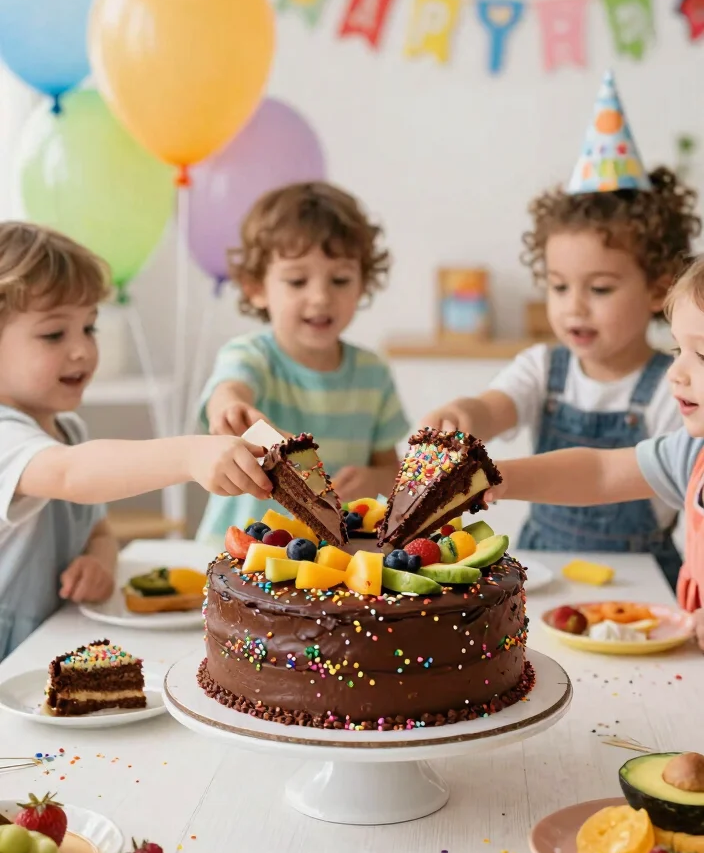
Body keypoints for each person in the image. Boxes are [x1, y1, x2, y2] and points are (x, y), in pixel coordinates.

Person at [423, 72, 701, 588]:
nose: (574, 308)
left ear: (658, 287)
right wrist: (468, 415)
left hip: (639, 584)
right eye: (557, 287)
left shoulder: (678, 389)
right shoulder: (541, 367)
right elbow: (497, 408)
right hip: (543, 577)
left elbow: (612, 474)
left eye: (599, 289)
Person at [0, 221, 272, 660]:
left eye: (89, 328)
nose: (82, 350)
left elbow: (100, 532)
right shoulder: (8, 440)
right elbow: (70, 474)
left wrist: (100, 562)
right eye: (54, 334)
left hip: (44, 644)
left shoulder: (70, 432)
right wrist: (189, 454)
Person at [483, 256, 704, 645]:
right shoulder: (690, 455)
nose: (676, 372)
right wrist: (496, 476)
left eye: (701, 354)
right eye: (677, 349)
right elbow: (599, 472)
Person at [197, 181, 409, 545]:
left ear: (363, 284)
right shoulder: (252, 355)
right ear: (256, 288)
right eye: (297, 280)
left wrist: (376, 480)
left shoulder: (372, 374)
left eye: (340, 279)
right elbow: (229, 390)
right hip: (243, 556)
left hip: (332, 559)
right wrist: (230, 407)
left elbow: (392, 470)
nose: (321, 297)